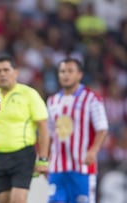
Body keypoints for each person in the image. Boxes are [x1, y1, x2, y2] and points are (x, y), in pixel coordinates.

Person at [0, 55, 50, 203]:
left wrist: (43, 159)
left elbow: (43, 127)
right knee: (2, 200)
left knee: (18, 200)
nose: (2, 74)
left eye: (6, 70)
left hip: (22, 155)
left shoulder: (29, 94)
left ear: (16, 72)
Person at [46, 58, 108, 203]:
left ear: (79, 75)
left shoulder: (92, 99)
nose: (65, 75)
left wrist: (93, 151)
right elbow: (49, 134)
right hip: (57, 168)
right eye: (62, 71)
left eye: (70, 71)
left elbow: (102, 128)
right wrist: (44, 158)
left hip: (83, 168)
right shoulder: (52, 101)